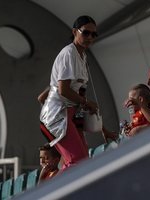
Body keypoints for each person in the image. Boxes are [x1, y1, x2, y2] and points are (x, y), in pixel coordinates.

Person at [39, 15, 98, 170]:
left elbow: (45, 95)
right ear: (74, 31)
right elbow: (63, 90)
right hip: (58, 115)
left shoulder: (82, 56)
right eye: (86, 33)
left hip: (68, 113)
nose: (90, 37)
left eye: (94, 34)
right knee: (77, 161)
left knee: (82, 161)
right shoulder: (69, 53)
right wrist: (85, 102)